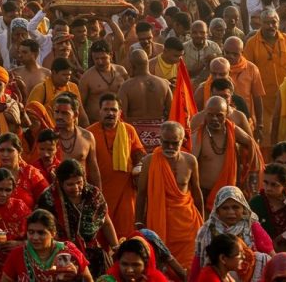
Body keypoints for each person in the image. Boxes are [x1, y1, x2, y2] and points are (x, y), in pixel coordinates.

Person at [136, 121, 204, 269]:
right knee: (163, 267)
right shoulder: (149, 161)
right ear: (160, 140)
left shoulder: (190, 161)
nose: (170, 147)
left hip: (188, 225)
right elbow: (141, 194)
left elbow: (197, 192)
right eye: (166, 143)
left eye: (175, 143)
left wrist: (203, 223)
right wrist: (138, 223)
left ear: (183, 141)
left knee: (189, 268)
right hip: (161, 223)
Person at [36, 158, 117, 276]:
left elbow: (106, 221)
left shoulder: (93, 195)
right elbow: (41, 229)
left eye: (79, 182)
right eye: (70, 184)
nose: (76, 187)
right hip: (62, 256)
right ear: (60, 182)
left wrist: (116, 247)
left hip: (93, 256)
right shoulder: (49, 198)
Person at [87, 94, 146, 238]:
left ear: (120, 112)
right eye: (106, 110)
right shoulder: (89, 133)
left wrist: (139, 165)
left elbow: (139, 154)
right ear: (99, 111)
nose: (110, 113)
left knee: (125, 234)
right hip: (99, 193)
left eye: (114, 110)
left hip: (125, 193)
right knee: (100, 235)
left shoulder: (129, 130)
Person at [192, 186, 274, 282]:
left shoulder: (251, 226)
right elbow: (198, 261)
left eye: (235, 207)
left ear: (243, 208)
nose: (231, 212)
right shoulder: (206, 230)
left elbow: (271, 256)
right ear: (217, 210)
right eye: (225, 208)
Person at [243, 10, 286, 146]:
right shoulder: (252, 43)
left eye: (273, 22)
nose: (270, 26)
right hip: (264, 101)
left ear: (278, 23)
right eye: (267, 23)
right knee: (267, 139)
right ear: (261, 24)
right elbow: (247, 70)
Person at [192, 96, 259, 210]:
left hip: (229, 196)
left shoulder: (233, 131)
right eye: (210, 115)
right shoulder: (198, 136)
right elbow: (190, 162)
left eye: (219, 115)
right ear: (205, 114)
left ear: (227, 114)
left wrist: (249, 173)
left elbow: (251, 144)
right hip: (204, 194)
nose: (214, 119)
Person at [0, 209, 92, 282]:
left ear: (53, 233)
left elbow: (88, 279)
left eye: (41, 233)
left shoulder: (69, 251)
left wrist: (75, 274)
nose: (35, 237)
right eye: (31, 232)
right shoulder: (17, 254)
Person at [117, 50, 173, 152]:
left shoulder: (126, 87)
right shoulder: (164, 84)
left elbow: (121, 115)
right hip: (159, 135)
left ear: (132, 65)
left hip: (136, 136)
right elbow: (172, 112)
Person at [0, 133, 48, 209]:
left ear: (19, 152)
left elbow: (47, 201)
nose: (5, 154)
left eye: (10, 151)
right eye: (1, 150)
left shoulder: (31, 173)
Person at [96, 236, 169, 282]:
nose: (129, 270)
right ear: (118, 262)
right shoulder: (108, 280)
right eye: (124, 264)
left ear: (145, 265)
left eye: (136, 265)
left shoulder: (157, 280)